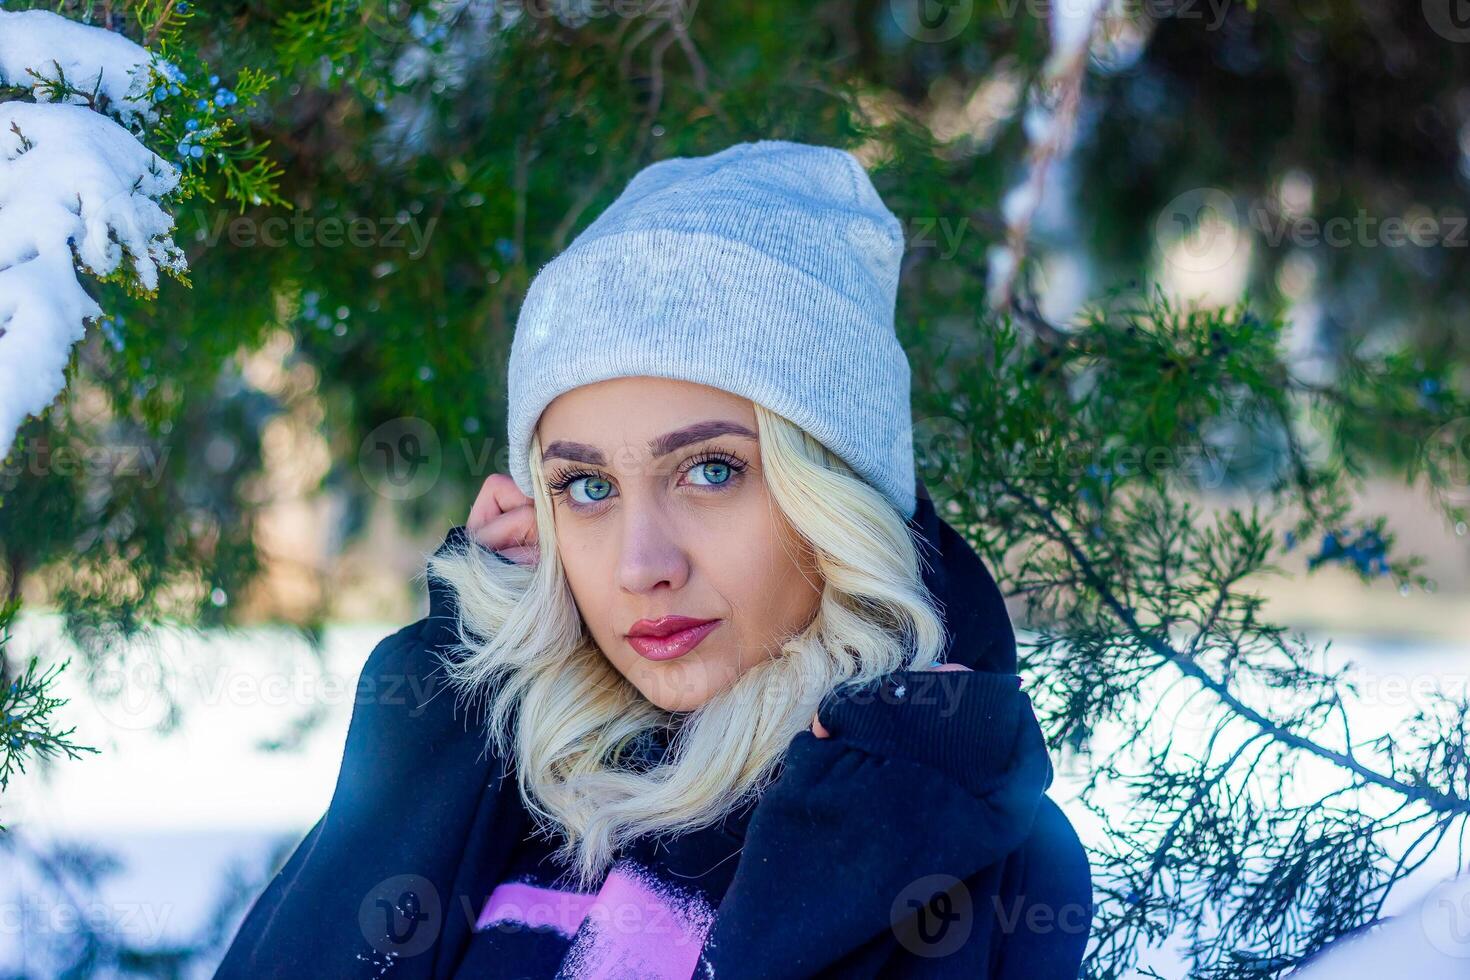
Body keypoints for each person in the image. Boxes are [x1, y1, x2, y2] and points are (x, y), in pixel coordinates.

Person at [214, 139, 1092, 979]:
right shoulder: (502, 774)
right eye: (588, 487)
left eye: (712, 471)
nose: (642, 566)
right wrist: (453, 707)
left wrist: (863, 826)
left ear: (837, 494)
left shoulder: (954, 838)